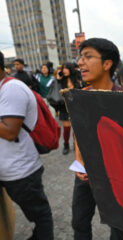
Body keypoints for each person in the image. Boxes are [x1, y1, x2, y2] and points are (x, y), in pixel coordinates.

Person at [73, 38, 123, 240]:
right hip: (85, 175)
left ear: (107, 64)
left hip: (114, 177)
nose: (80, 63)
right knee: (79, 222)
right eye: (80, 57)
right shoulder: (79, 96)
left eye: (88, 57)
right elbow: (78, 133)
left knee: (117, 225)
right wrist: (79, 160)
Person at [0, 51, 54, 239]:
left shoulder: (11, 89)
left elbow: (9, 131)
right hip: (8, 168)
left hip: (21, 171)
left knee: (40, 214)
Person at [57, 63, 81, 155]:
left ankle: (76, 144)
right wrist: (58, 79)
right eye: (63, 68)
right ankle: (66, 145)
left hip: (75, 106)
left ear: (71, 69)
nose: (64, 70)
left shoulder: (77, 78)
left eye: (66, 68)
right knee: (66, 128)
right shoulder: (61, 79)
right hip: (64, 106)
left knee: (76, 128)